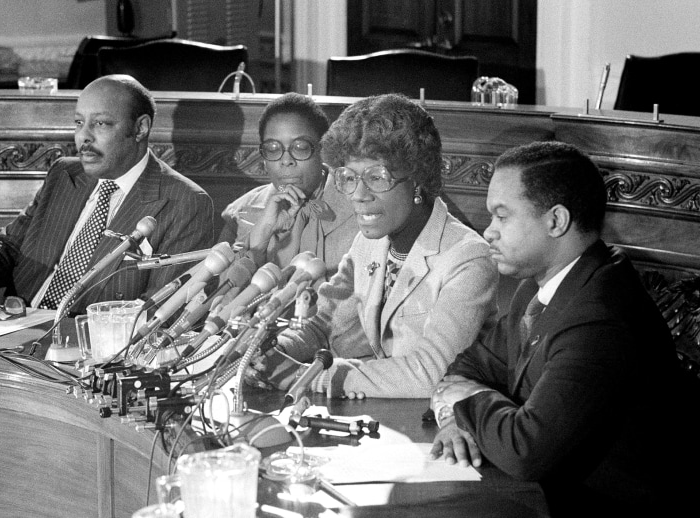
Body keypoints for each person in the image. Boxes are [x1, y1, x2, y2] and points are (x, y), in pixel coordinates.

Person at [429, 141, 691, 517]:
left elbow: (525, 451)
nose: (488, 232)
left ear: (556, 221)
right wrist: (455, 419)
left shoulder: (601, 317)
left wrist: (464, 403)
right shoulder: (536, 289)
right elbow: (469, 366)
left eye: (502, 217)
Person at [257, 93, 498, 399]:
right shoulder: (370, 241)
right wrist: (274, 352)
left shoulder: (468, 258)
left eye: (376, 177)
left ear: (418, 180)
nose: (358, 194)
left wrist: (304, 377)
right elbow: (325, 325)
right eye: (348, 178)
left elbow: (431, 373)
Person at [0, 74, 213, 316]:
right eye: (79, 122)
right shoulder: (63, 174)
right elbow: (9, 247)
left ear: (140, 128)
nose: (84, 137)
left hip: (88, 349)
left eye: (101, 124)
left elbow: (159, 310)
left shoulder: (185, 202)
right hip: (14, 324)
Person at [218, 92, 358, 278]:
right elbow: (221, 298)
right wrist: (261, 237)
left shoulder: (357, 204)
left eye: (300, 147)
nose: (286, 161)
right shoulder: (240, 212)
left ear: (322, 149)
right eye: (273, 149)